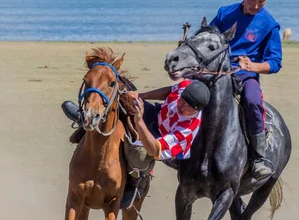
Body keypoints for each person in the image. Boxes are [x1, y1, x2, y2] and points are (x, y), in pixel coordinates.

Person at [61, 79, 210, 207]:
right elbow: (171, 90)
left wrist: (139, 121)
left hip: (163, 140)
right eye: (182, 101)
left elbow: (155, 150)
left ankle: (136, 182)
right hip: (158, 116)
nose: (182, 108)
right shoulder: (185, 86)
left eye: (189, 108)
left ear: (197, 111)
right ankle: (84, 119)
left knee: (139, 154)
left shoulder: (186, 131)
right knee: (126, 100)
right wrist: (141, 96)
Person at [209, 0, 282, 181]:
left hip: (245, 75)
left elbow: (275, 62)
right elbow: (209, 38)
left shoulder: (269, 24)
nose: (256, 5)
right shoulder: (225, 13)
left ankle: (259, 158)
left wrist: (253, 66)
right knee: (191, 91)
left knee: (252, 100)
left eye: (261, 2)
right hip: (217, 70)